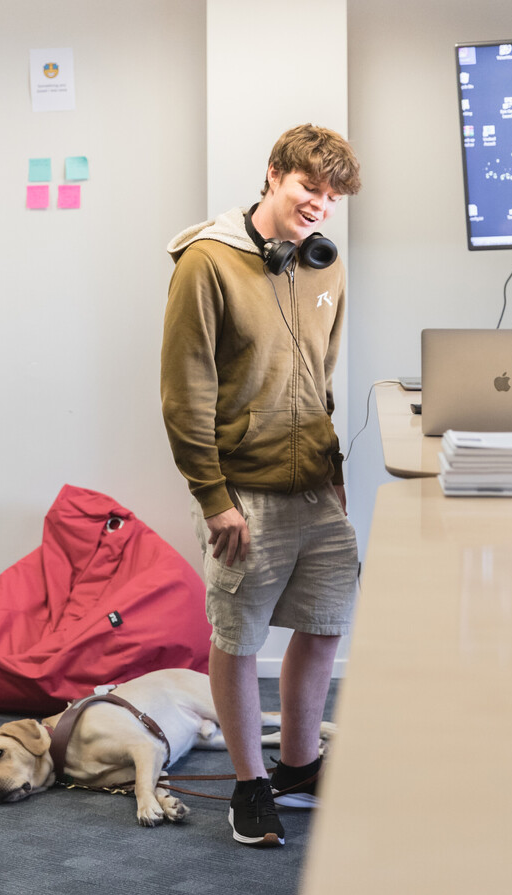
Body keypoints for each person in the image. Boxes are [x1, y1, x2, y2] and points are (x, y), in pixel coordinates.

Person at [160, 124, 361, 847]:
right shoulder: (206, 263)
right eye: (310, 186)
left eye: (332, 196)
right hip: (243, 490)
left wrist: (333, 471)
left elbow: (321, 377)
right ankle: (250, 785)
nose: (319, 205)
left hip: (315, 483)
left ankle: (299, 767)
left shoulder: (327, 265)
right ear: (274, 174)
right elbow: (185, 394)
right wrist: (214, 498)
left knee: (326, 623)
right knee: (238, 638)